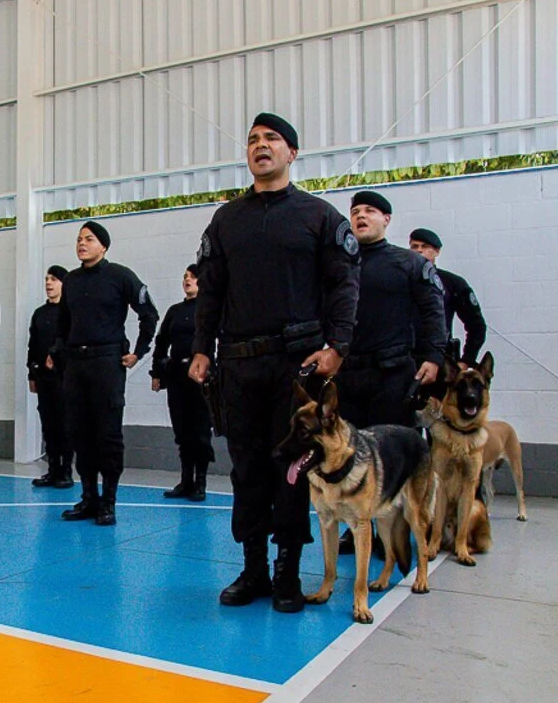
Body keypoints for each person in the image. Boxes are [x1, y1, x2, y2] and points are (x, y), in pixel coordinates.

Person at [188, 113, 361, 613]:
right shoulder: (226, 219)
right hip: (238, 366)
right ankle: (254, 569)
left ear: (292, 154)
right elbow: (211, 290)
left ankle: (287, 571)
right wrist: (202, 347)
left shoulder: (319, 217)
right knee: (246, 471)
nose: (260, 146)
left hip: (296, 369)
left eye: (272, 140)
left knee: (289, 468)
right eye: (253, 141)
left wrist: (338, 347)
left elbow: (345, 286)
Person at [54, 221, 158, 526]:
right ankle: (89, 497)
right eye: (78, 239)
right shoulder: (71, 281)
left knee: (107, 435)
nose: (81, 244)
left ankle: (108, 501)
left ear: (104, 246)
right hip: (76, 364)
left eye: (88, 239)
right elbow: (62, 323)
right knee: (79, 433)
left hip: (107, 363)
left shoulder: (120, 276)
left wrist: (138, 351)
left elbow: (149, 313)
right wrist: (61, 353)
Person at [338, 192, 445, 428]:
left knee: (392, 454)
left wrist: (434, 357)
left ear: (386, 219)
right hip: (347, 374)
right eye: (355, 212)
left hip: (392, 374)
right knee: (349, 454)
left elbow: (433, 312)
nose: (361, 216)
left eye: (369, 211)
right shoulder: (339, 264)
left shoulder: (410, 263)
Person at [151, 264, 214, 501]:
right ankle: (185, 480)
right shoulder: (175, 311)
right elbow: (161, 341)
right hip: (177, 377)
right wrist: (157, 372)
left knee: (200, 432)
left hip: (201, 379)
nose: (187, 280)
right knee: (182, 431)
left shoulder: (209, 310)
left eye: (193, 277)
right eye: (185, 277)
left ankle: (201, 482)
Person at [409, 228, 487, 365]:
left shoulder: (452, 283)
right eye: (414, 246)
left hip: (440, 362)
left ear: (437, 251)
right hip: (405, 361)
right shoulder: (399, 281)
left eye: (425, 247)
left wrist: (466, 360)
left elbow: (477, 326)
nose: (419, 250)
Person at [26, 265, 73, 489]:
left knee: (65, 424)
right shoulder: (39, 314)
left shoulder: (70, 312)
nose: (48, 283)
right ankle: (52, 469)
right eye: (46, 279)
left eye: (53, 279)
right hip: (43, 378)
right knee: (48, 424)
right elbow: (32, 345)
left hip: (64, 378)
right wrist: (31, 373)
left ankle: (66, 470)